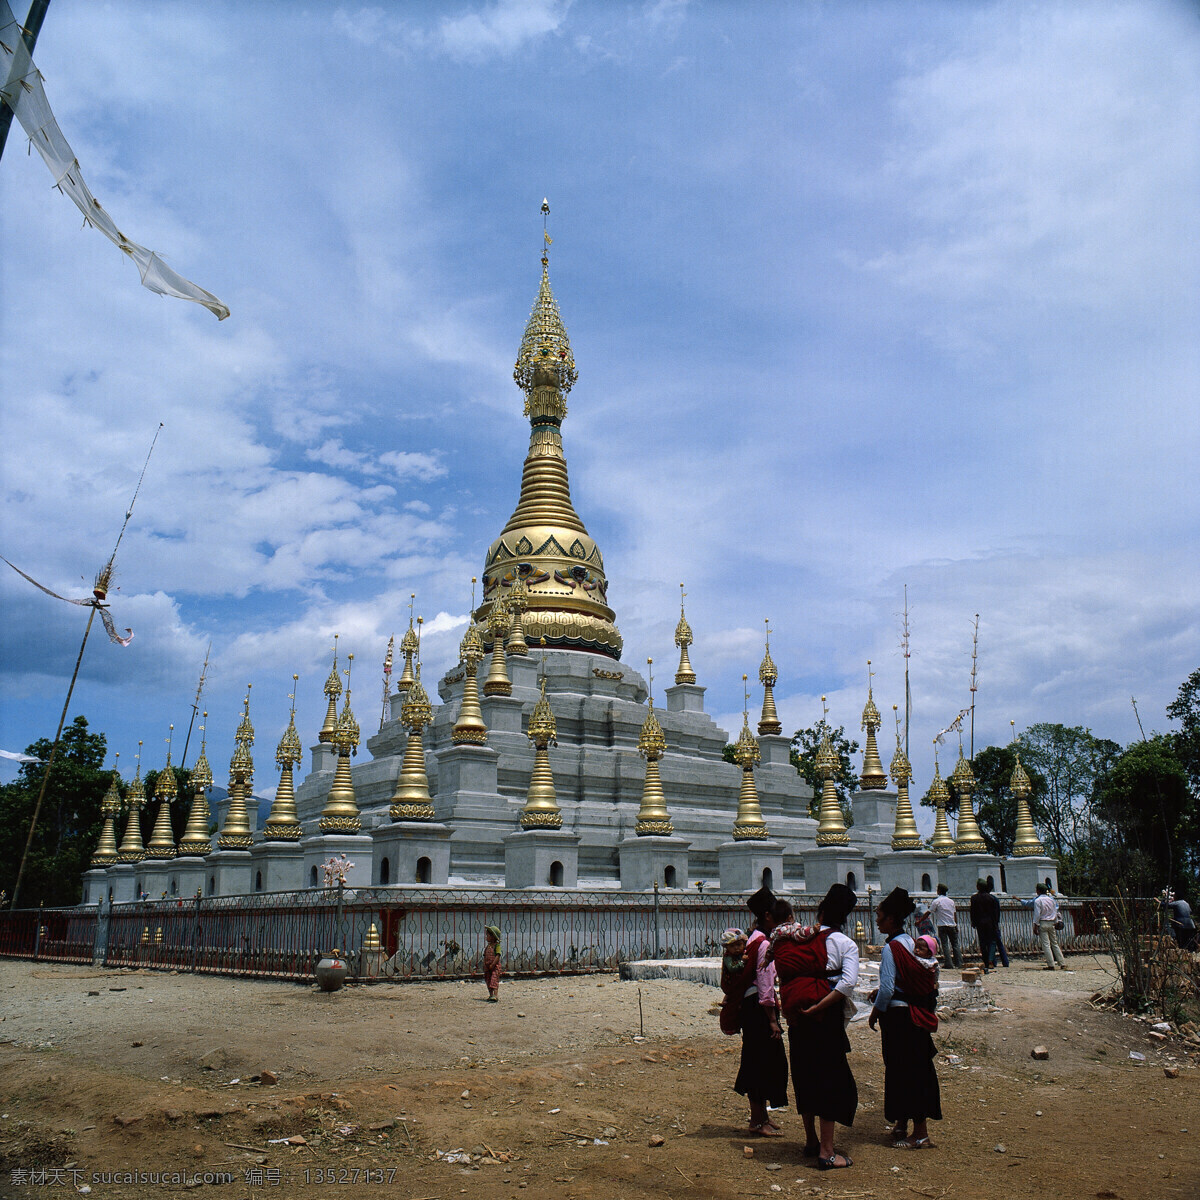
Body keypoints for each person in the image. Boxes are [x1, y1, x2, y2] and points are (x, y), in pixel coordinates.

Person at [768, 883, 859, 1170]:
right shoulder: (845, 943)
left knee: (805, 1075)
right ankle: (828, 1152)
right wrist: (820, 1006)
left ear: (820, 910)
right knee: (830, 1079)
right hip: (824, 1015)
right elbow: (847, 984)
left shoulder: (801, 936)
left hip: (798, 1015)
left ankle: (810, 1140)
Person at [869, 887, 942, 1150]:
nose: (876, 920)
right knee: (906, 1069)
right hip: (915, 1015)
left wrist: (875, 1012)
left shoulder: (891, 948)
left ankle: (919, 1133)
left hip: (900, 1017)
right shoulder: (912, 943)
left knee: (906, 1071)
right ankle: (901, 1125)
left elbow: (888, 988)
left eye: (879, 916)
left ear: (891, 919)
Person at [734, 887, 789, 1137]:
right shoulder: (764, 942)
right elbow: (765, 983)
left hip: (751, 1005)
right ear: (768, 916)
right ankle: (757, 1120)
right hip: (759, 1007)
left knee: (761, 1059)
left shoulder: (753, 938)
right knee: (760, 1061)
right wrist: (772, 1019)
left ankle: (763, 1115)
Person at [1025, 883, 1068, 970]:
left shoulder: (1038, 901)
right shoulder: (1051, 900)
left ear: (1038, 891)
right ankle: (1062, 962)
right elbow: (1054, 911)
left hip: (1043, 922)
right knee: (1054, 943)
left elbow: (1037, 914)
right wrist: (1056, 922)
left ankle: (1051, 964)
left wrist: (1035, 926)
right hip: (1052, 922)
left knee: (1046, 944)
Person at [719, 928, 749, 1035]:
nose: (736, 948)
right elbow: (732, 968)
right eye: (732, 946)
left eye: (738, 945)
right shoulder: (729, 957)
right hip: (732, 985)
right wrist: (742, 962)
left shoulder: (743, 954)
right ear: (727, 947)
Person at [968, 879, 999, 973]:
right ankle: (990, 960)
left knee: (983, 942)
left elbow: (972, 912)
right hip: (991, 923)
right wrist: (996, 923)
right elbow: (996, 913)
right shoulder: (992, 898)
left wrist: (973, 922)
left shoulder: (974, 898)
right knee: (992, 942)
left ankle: (985, 961)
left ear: (978, 887)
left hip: (980, 923)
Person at [930, 884, 961, 970]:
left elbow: (930, 911)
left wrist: (920, 920)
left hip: (942, 925)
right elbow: (954, 914)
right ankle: (959, 963)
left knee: (945, 945)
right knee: (955, 944)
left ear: (939, 891)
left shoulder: (937, 901)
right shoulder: (951, 901)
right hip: (952, 925)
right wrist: (956, 925)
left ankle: (949, 963)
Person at [985, 878, 1010, 968]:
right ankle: (1005, 962)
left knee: (990, 943)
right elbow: (997, 913)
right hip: (994, 924)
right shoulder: (994, 899)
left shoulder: (985, 898)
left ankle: (992, 961)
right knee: (998, 943)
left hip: (987, 924)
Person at [483, 925, 502, 1001]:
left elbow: (498, 955)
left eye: (487, 935)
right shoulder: (488, 946)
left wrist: (493, 964)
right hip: (487, 966)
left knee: (494, 980)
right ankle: (491, 995)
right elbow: (485, 955)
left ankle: (495, 995)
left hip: (495, 967)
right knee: (488, 980)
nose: (486, 937)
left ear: (493, 937)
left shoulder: (497, 946)